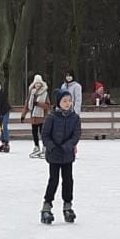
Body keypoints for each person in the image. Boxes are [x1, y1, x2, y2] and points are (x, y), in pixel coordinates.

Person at [40, 89, 81, 224]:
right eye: (64, 101)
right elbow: (45, 135)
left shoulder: (75, 118)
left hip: (67, 155)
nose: (67, 103)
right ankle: (47, 206)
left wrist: (67, 146)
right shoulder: (52, 117)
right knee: (54, 180)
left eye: (69, 101)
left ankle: (68, 205)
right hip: (54, 155)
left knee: (68, 180)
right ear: (59, 102)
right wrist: (52, 147)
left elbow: (76, 135)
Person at [21, 74, 50, 157]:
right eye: (36, 83)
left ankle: (45, 147)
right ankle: (36, 147)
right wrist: (23, 115)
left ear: (41, 84)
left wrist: (38, 104)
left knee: (42, 132)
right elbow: (27, 105)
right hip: (33, 117)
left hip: (42, 117)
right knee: (34, 132)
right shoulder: (32, 93)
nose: (37, 85)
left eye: (39, 83)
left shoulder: (45, 93)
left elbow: (47, 106)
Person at [0, 83, 11, 153]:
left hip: (5, 111)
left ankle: (6, 143)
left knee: (4, 126)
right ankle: (3, 143)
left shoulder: (0, 93)